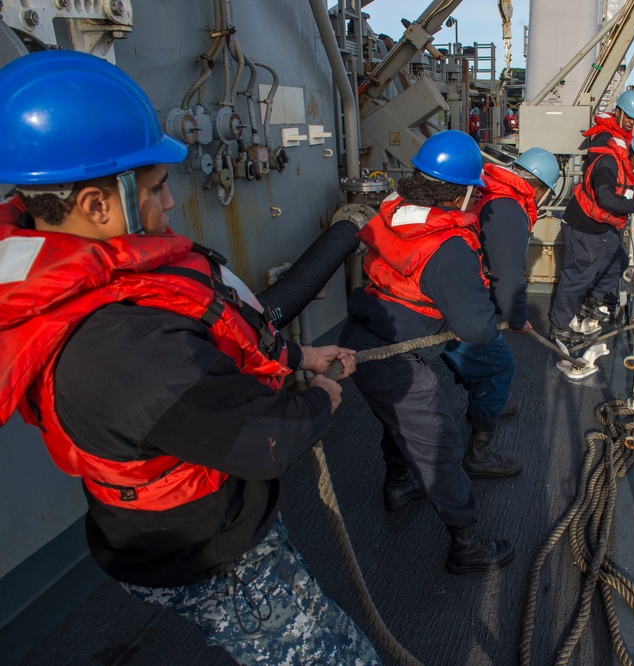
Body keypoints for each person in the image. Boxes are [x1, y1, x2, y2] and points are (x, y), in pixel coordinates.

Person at [0, 51, 379, 665]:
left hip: (170, 520)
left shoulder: (87, 284)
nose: (171, 205)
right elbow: (265, 440)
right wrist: (319, 399)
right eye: (154, 188)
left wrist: (300, 355)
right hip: (206, 548)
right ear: (97, 204)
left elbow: (220, 340)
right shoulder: (122, 351)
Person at [339, 130, 514, 574]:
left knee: (398, 420)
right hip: (393, 355)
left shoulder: (397, 210)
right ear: (464, 192)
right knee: (439, 444)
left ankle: (399, 485)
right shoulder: (448, 247)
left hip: (363, 333)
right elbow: (475, 329)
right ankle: (467, 545)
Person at [440, 147, 560, 477]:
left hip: (446, 289)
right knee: (499, 366)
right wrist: (517, 318)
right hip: (453, 302)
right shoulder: (510, 210)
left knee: (480, 361)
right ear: (540, 189)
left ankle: (482, 401)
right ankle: (477, 454)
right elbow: (508, 276)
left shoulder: (491, 192)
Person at [548, 133, 634, 345]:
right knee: (575, 279)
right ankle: (559, 327)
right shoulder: (608, 165)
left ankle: (591, 300)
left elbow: (632, 190)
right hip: (583, 229)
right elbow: (605, 197)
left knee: (618, 260)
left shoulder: (624, 168)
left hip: (600, 231)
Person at [582, 90, 634, 169]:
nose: (632, 122)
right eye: (629, 117)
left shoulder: (624, 137)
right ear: (618, 112)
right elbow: (601, 171)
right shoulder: (603, 138)